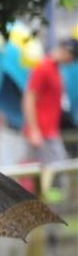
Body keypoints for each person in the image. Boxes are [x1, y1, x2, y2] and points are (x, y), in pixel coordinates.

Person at [22, 37, 78, 165]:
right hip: (42, 135)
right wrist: (34, 130)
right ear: (66, 52)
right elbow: (29, 98)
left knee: (55, 175)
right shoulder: (43, 67)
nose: (72, 62)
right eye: (73, 57)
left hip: (51, 132)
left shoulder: (56, 69)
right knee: (50, 175)